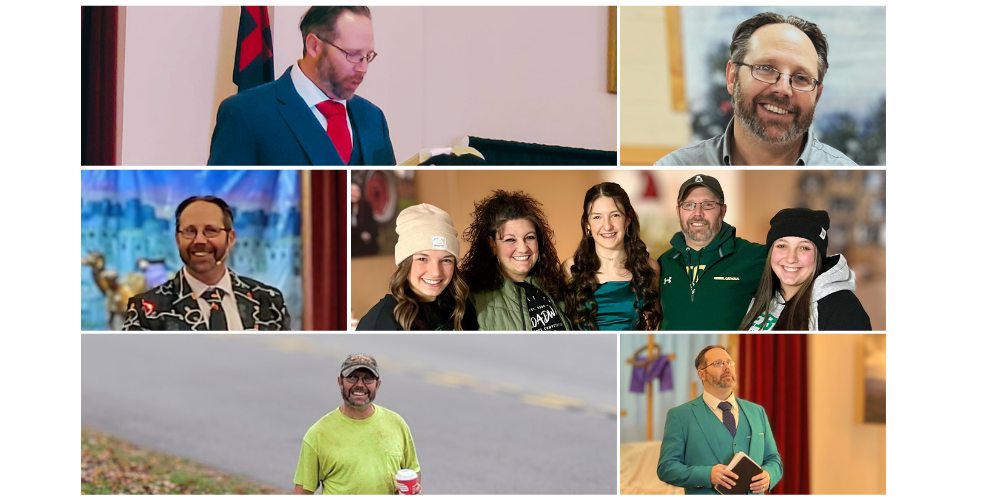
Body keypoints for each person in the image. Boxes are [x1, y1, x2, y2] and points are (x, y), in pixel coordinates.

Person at [654, 13, 857, 166]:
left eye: (801, 78)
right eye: (766, 68)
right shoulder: (676, 166)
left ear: (817, 95)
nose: (783, 89)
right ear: (732, 77)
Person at [209, 5, 395, 166]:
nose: (363, 68)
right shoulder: (245, 114)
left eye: (368, 56)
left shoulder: (373, 118)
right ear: (314, 46)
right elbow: (223, 200)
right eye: (353, 54)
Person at [123, 196, 290, 331]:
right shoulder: (146, 310)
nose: (200, 240)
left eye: (211, 231)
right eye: (190, 231)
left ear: (230, 238)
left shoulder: (269, 301)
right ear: (177, 238)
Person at [657, 345, 782, 495]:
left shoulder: (757, 412)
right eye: (718, 363)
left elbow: (773, 459)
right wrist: (707, 475)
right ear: (702, 374)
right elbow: (666, 468)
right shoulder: (680, 416)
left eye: (729, 362)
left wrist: (769, 475)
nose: (727, 367)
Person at [293, 353, 421, 495]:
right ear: (340, 382)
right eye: (352, 377)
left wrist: (414, 489)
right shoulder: (318, 433)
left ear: (377, 384)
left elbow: (412, 471)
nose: (360, 385)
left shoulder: (397, 424)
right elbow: (303, 491)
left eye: (368, 379)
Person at [658, 175, 766, 331]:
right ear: (678, 211)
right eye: (689, 205)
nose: (698, 213)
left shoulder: (754, 256)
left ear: (723, 211)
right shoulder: (663, 263)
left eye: (708, 205)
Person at [739, 208, 871, 331]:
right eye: (782, 246)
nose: (791, 258)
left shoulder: (843, 308)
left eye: (804, 248)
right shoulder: (758, 297)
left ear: (818, 256)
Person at [460, 190, 571, 331]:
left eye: (530, 237)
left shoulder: (556, 286)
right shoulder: (471, 297)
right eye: (510, 239)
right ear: (492, 245)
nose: (523, 248)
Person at [357, 204, 477, 331]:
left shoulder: (461, 307)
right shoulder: (383, 321)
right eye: (422, 259)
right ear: (405, 263)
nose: (436, 272)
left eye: (446, 260)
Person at [561, 182, 661, 331]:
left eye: (614, 215)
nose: (607, 226)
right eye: (597, 217)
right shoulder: (570, 269)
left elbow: (657, 325)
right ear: (587, 224)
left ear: (627, 219)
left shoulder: (649, 268)